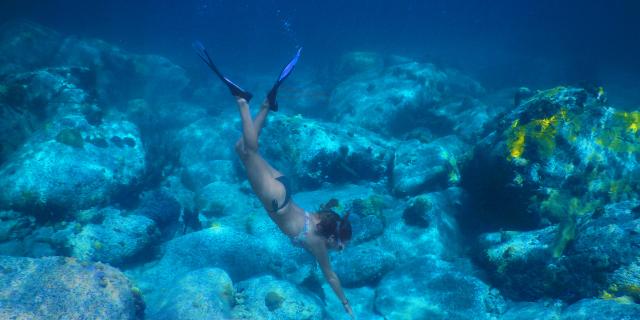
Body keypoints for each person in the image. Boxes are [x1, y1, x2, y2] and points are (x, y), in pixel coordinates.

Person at [194, 42, 354, 317]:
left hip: (283, 187)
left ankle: (267, 105)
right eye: (341, 246)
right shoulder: (318, 242)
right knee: (251, 150)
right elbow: (331, 277)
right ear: (333, 239)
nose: (339, 250)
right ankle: (243, 102)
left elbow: (336, 223)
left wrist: (338, 233)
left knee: (241, 150)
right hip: (275, 199)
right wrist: (347, 305)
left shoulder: (322, 218)